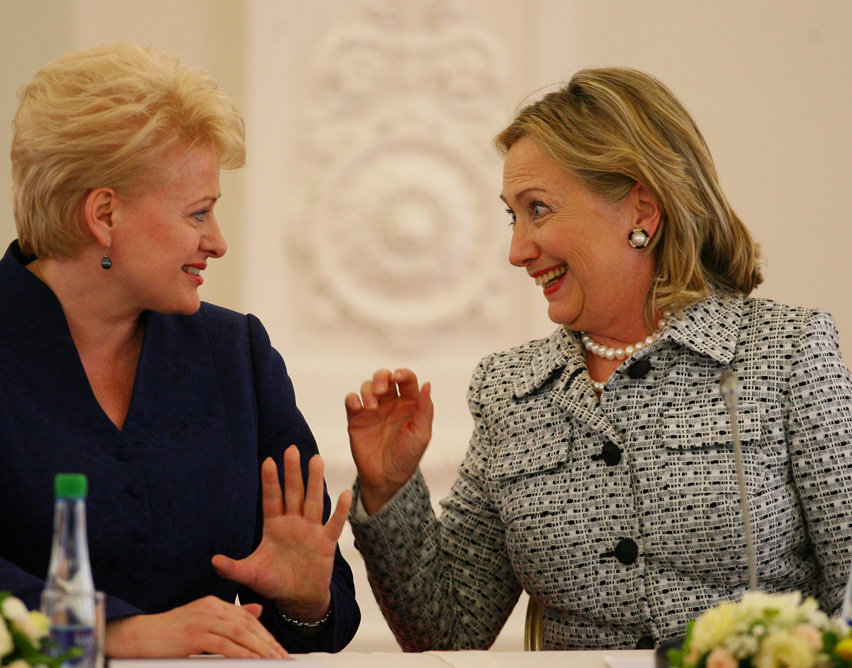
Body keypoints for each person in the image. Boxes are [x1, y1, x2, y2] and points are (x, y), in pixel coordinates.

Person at [0, 42, 360, 657]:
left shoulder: (237, 353)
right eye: (198, 213)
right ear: (104, 214)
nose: (217, 242)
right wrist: (122, 633)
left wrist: (305, 603)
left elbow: (325, 618)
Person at [344, 67, 852, 651]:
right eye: (513, 215)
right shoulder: (509, 389)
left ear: (641, 212)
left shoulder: (788, 353)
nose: (517, 250)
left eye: (538, 209)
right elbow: (449, 632)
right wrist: (389, 489)